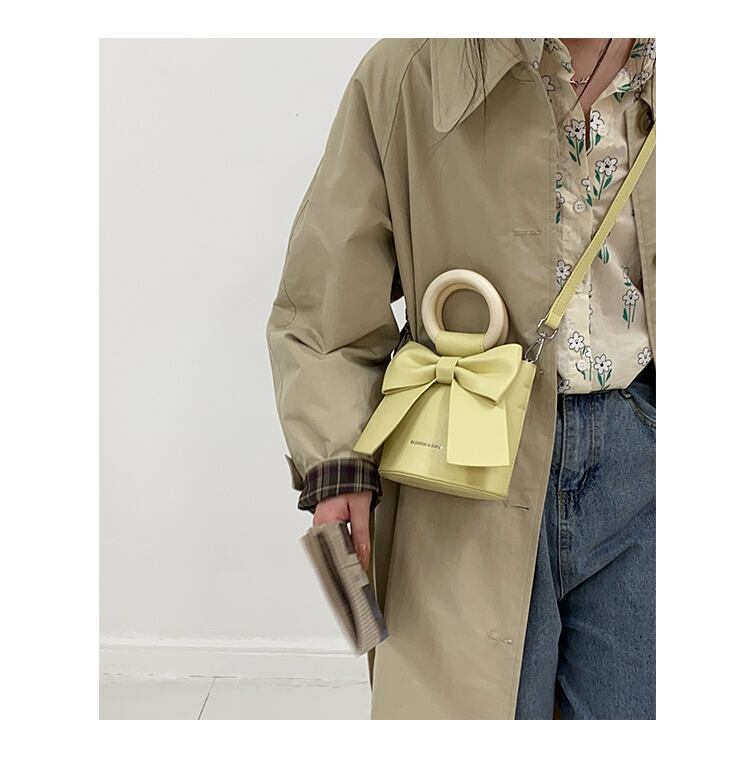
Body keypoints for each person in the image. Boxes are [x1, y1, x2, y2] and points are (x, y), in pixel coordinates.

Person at [266, 38, 656, 720]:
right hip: (463, 465)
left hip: (645, 463)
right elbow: (325, 307)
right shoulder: (412, 71)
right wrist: (337, 460)